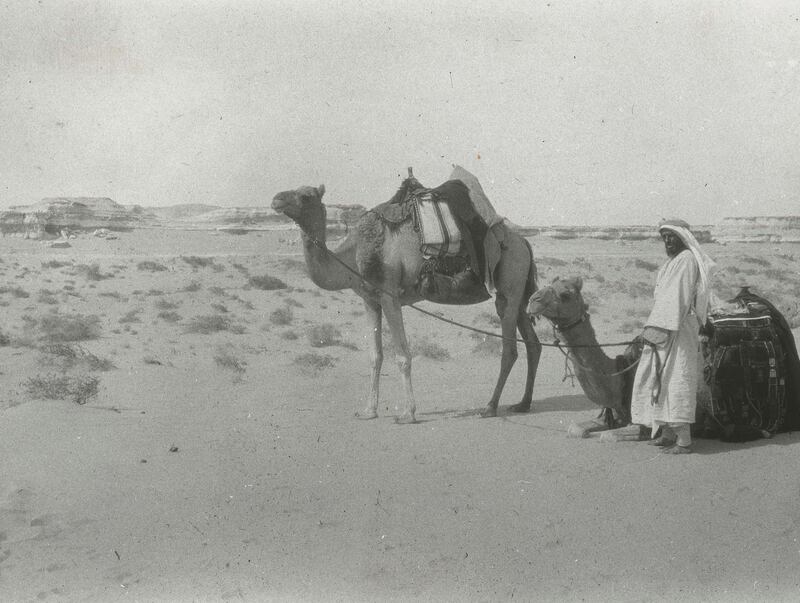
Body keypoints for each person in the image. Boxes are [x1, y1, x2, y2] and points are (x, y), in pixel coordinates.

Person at [630, 219, 718, 454]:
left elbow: (676, 300)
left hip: (677, 330)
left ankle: (684, 441)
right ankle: (667, 433)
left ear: (683, 237)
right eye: (664, 237)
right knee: (660, 381)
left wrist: (654, 329)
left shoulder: (687, 260)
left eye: (672, 236)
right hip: (665, 327)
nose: (667, 241)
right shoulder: (672, 262)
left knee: (676, 380)